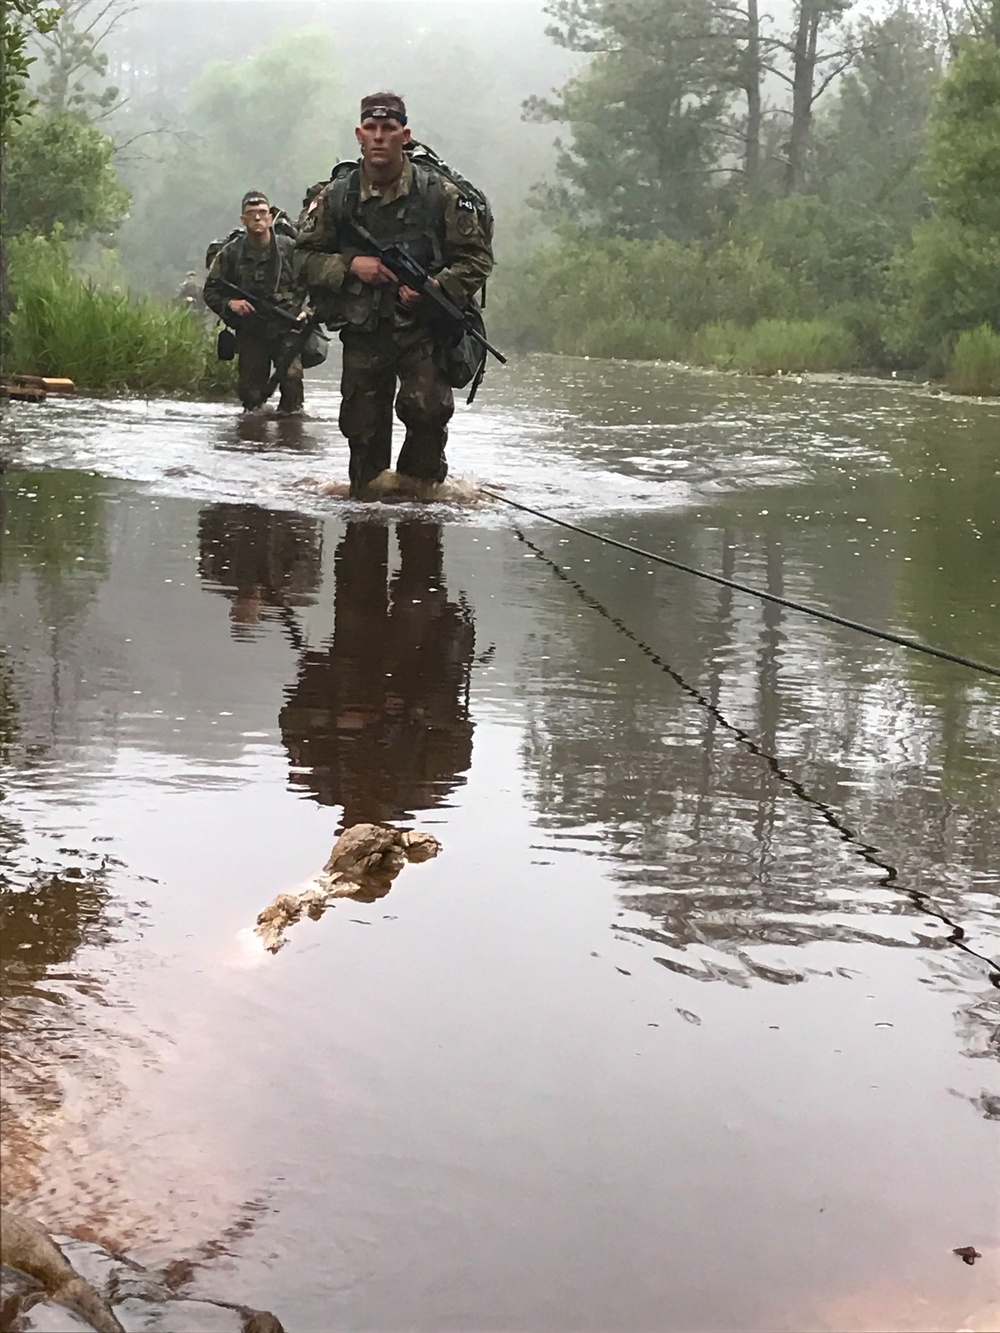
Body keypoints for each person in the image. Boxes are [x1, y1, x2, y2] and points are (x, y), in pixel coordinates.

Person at [296, 92, 494, 494]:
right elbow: (301, 258)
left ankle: (421, 500)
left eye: (388, 129)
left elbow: (477, 258)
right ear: (359, 135)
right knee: (363, 440)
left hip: (423, 328)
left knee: (427, 411)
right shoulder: (338, 196)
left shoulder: (439, 193)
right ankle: (368, 521)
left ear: (405, 135)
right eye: (371, 129)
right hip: (363, 328)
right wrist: (352, 266)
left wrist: (437, 288)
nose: (379, 137)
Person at [203, 190, 306, 414]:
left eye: (262, 213)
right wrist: (230, 304)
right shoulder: (231, 253)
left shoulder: (289, 248)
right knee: (251, 396)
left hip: (286, 327)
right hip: (251, 330)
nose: (257, 218)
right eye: (251, 214)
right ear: (243, 220)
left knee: (292, 381)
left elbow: (313, 282)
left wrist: (305, 311)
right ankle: (252, 439)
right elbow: (210, 290)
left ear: (271, 217)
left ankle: (291, 437)